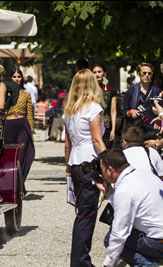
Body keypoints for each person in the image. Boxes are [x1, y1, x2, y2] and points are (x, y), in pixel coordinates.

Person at [63, 69, 106, 267]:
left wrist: (68, 169)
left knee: (83, 213)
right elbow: (97, 140)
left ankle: (80, 260)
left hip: (76, 162)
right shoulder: (93, 108)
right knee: (86, 216)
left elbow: (67, 144)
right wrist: (109, 163)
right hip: (89, 162)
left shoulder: (69, 110)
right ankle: (80, 262)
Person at [97, 149, 163, 267]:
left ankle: (149, 264)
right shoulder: (146, 175)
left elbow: (119, 233)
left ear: (110, 169)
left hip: (159, 243)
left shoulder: (125, 190)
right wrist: (108, 191)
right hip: (159, 235)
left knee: (110, 238)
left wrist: (108, 264)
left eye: (102, 170)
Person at [5, 68, 35, 189]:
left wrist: (31, 131)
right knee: (8, 153)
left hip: (22, 123)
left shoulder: (26, 94)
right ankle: (7, 182)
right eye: (14, 77)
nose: (17, 79)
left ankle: (19, 182)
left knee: (22, 153)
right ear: (10, 78)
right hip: (8, 124)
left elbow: (29, 113)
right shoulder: (5, 92)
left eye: (19, 77)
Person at [122, 62, 160, 140]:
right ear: (139, 74)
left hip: (153, 129)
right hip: (136, 130)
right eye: (144, 73)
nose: (147, 75)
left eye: (149, 73)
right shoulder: (131, 92)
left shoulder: (157, 91)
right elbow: (124, 111)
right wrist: (131, 112)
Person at [92, 63, 117, 149]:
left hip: (107, 123)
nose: (97, 74)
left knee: (107, 151)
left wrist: (113, 129)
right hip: (93, 122)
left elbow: (113, 110)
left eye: (99, 72)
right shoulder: (89, 89)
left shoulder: (111, 88)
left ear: (104, 73)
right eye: (94, 72)